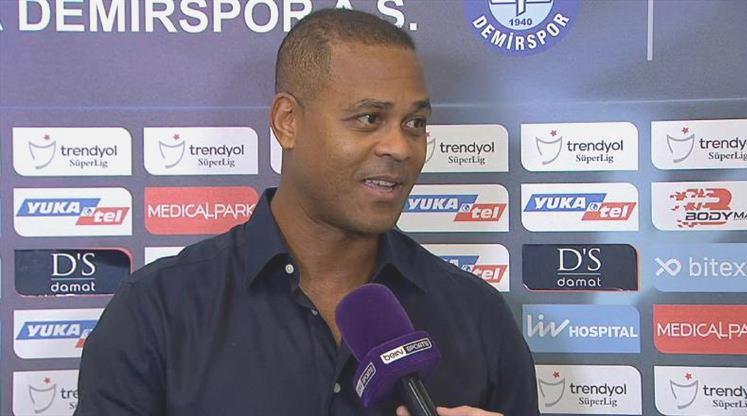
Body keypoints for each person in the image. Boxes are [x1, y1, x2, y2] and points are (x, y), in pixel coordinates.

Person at [75, 8, 539, 416]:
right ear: (287, 122)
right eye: (369, 118)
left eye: (415, 123)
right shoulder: (157, 311)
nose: (400, 147)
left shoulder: (479, 317)